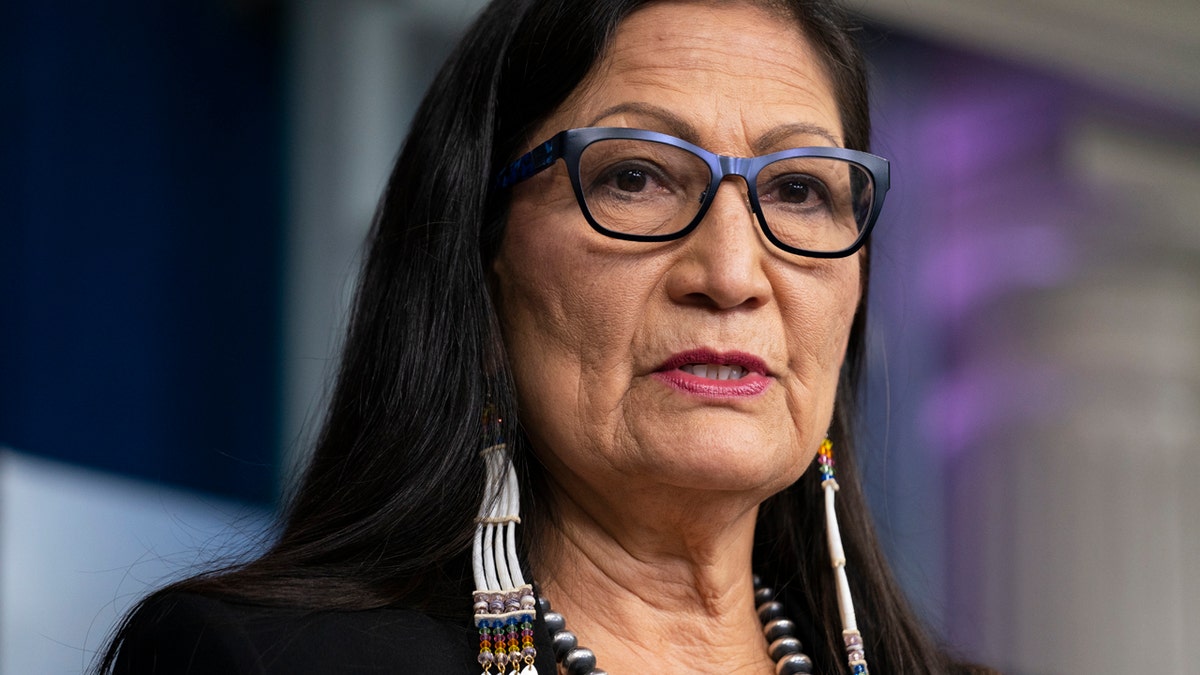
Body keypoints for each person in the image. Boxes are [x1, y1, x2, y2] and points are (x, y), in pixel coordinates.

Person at [98, 0, 994, 673]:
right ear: (484, 256)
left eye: (799, 191)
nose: (730, 274)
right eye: (637, 176)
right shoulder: (264, 662)